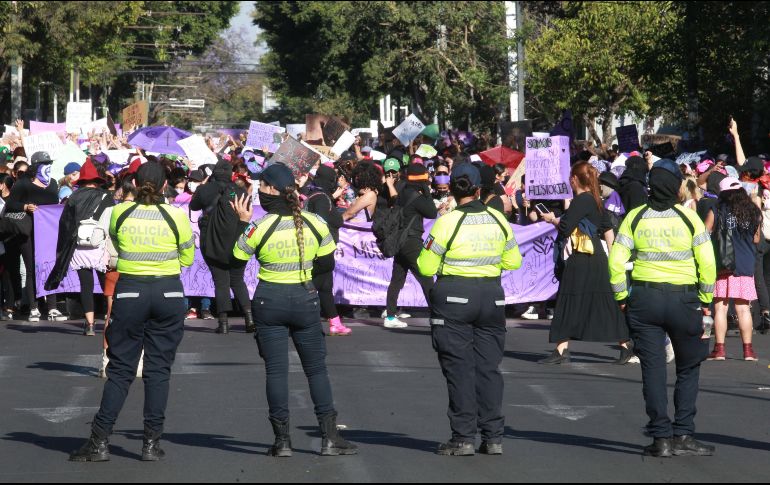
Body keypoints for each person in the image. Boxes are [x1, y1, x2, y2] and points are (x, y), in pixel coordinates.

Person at [69, 161, 194, 462]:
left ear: (135, 185)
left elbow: (111, 244)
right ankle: (151, 443)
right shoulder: (177, 215)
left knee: (121, 369)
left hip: (130, 291)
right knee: (158, 370)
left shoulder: (119, 212)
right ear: (165, 185)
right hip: (168, 291)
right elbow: (188, 258)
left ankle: (99, 441)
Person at [231, 163, 357, 457]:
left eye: (261, 187)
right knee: (316, 370)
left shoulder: (259, 226)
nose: (258, 192)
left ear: (272, 190)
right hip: (305, 298)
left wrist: (243, 223)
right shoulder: (315, 222)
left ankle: (282, 441)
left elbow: (236, 259)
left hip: (269, 300)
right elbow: (327, 263)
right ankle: (329, 437)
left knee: (276, 372)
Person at [608, 158, 717, 457]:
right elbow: (707, 262)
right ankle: (683, 434)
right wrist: (705, 301)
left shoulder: (635, 217)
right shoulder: (689, 218)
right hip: (684, 300)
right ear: (676, 186)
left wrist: (621, 297)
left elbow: (616, 261)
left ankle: (661, 439)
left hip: (644, 300)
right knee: (688, 366)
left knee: (653, 369)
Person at [416, 162, 522, 456]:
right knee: (488, 369)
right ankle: (493, 437)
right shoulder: (498, 219)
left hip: (455, 298)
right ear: (479, 190)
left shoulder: (447, 222)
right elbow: (513, 261)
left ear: (451, 188)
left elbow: (426, 266)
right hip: (491, 298)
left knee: (459, 368)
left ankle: (463, 438)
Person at [538, 162, 632, 364]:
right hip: (597, 257)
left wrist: (552, 219)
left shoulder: (581, 200)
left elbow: (565, 227)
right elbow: (608, 228)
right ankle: (625, 345)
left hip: (581, 256)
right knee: (605, 302)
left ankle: (561, 350)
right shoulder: (595, 199)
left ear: (574, 179)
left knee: (567, 300)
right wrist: (612, 257)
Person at [45, 158, 113, 336]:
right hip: (100, 246)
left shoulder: (74, 197)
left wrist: (63, 249)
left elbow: (65, 224)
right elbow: (111, 223)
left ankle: (90, 325)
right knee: (107, 286)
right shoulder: (106, 197)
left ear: (82, 180)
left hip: (80, 247)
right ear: (97, 180)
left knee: (86, 286)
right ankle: (111, 320)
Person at [190, 159, 253, 334]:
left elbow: (193, 206)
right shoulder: (240, 191)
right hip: (236, 239)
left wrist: (203, 186)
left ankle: (223, 323)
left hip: (212, 241)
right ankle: (249, 318)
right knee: (237, 279)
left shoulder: (205, 189)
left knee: (220, 281)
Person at [704, 177, 762, 361]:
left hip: (723, 264)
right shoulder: (753, 210)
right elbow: (756, 239)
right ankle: (748, 351)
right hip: (745, 264)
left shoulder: (717, 209)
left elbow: (704, 234)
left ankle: (719, 350)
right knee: (743, 308)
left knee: (720, 308)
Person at [5, 153, 63, 321]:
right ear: (35, 166)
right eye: (45, 163)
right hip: (27, 232)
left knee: (50, 266)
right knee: (31, 268)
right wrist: (25, 207)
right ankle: (33, 308)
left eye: (49, 163)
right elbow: (10, 204)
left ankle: (52, 307)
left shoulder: (53, 183)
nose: (47, 166)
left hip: (48, 232)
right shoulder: (23, 183)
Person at [383, 163, 437, 328]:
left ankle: (390, 316)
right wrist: (426, 191)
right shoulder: (417, 197)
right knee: (426, 278)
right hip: (412, 241)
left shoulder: (402, 193)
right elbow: (432, 212)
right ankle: (437, 316)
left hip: (400, 241)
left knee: (397, 279)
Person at [303, 164, 350, 336]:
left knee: (325, 286)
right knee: (311, 286)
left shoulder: (314, 195)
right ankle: (299, 320)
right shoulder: (322, 198)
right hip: (321, 249)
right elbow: (321, 222)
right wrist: (336, 217)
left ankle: (334, 323)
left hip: (317, 247)